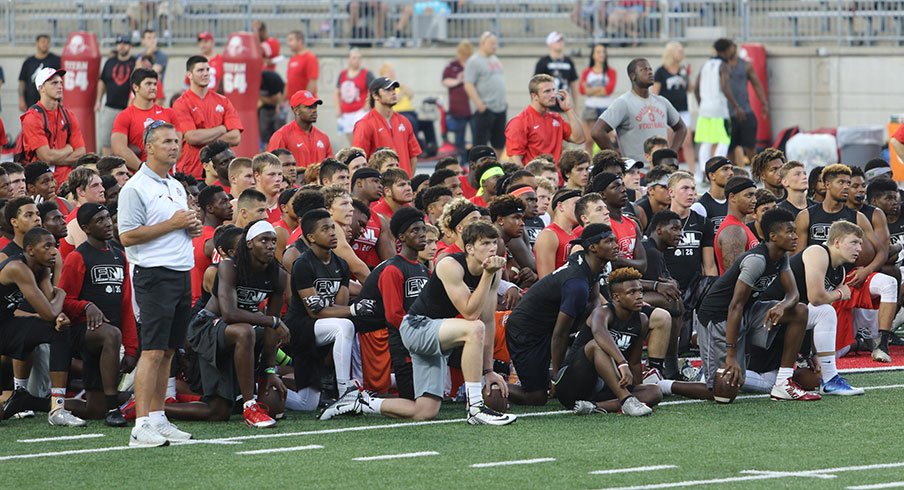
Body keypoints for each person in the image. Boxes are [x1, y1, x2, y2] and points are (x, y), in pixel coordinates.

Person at [322, 221, 516, 425]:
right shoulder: (450, 264)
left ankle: (359, 401)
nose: (493, 248)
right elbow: (470, 313)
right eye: (485, 243)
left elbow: (487, 320)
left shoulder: (491, 275)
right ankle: (476, 408)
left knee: (425, 411)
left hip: (436, 332)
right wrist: (487, 275)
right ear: (469, 248)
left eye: (494, 242)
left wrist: (488, 371)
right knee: (474, 328)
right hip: (416, 326)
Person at [118, 121, 202, 447]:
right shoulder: (135, 187)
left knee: (168, 350)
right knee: (151, 351)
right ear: (149, 147)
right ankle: (140, 424)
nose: (174, 146)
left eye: (177, 141)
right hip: (153, 275)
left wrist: (188, 227)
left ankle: (157, 417)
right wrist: (173, 223)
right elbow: (127, 235)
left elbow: (176, 226)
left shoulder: (176, 185)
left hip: (180, 273)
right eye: (166, 141)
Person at [697, 207, 820, 402]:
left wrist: (782, 306)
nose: (795, 236)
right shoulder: (756, 260)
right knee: (723, 392)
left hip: (748, 311)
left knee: (799, 311)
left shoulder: (781, 257)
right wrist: (731, 355)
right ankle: (665, 385)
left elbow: (794, 294)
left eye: (795, 231)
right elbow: (734, 306)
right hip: (719, 317)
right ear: (773, 236)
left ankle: (783, 382)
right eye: (789, 231)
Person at [180, 220, 288, 427]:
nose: (270, 245)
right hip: (207, 325)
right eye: (263, 240)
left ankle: (149, 407)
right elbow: (229, 313)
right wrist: (272, 321)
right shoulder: (230, 266)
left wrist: (269, 370)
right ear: (249, 243)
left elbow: (271, 331)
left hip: (237, 330)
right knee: (245, 331)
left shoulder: (279, 274)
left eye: (273, 241)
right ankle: (249, 405)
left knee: (218, 412)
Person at [506, 223, 617, 405]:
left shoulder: (589, 261)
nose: (616, 245)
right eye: (608, 241)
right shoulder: (577, 283)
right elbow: (560, 334)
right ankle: (486, 385)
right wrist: (557, 379)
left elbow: (594, 300)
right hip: (527, 330)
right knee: (537, 397)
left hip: (547, 324)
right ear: (593, 247)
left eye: (614, 240)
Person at [758, 221, 864, 395]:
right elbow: (815, 298)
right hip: (766, 315)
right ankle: (830, 380)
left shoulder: (840, 271)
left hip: (788, 321)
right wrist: (839, 293)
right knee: (827, 311)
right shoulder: (818, 252)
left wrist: (811, 354)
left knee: (777, 380)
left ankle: (718, 376)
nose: (859, 248)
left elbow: (812, 313)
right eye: (854, 242)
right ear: (836, 242)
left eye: (860, 243)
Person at [57, 204, 137, 426]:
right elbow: (63, 299)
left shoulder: (119, 256)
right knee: (110, 334)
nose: (107, 223)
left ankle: (36, 402)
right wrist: (86, 306)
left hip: (109, 337)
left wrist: (131, 348)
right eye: (99, 220)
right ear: (86, 228)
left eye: (107, 218)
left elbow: (126, 305)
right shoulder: (77, 257)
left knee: (93, 410)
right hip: (81, 332)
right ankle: (114, 408)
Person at [285, 209, 370, 407]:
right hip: (301, 328)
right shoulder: (303, 264)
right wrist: (354, 310)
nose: (333, 233)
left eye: (333, 227)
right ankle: (345, 391)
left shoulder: (341, 264)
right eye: (326, 229)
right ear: (311, 237)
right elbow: (314, 311)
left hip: (326, 325)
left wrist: (346, 310)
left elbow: (338, 307)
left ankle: (258, 393)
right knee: (345, 325)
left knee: (307, 404)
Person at [555, 266, 662, 414]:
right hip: (573, 382)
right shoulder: (602, 313)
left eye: (640, 291)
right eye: (632, 292)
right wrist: (622, 363)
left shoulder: (642, 320)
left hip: (606, 386)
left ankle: (595, 407)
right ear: (616, 297)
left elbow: (635, 362)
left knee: (654, 392)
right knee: (597, 346)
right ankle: (626, 401)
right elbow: (599, 332)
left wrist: (635, 390)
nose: (639, 296)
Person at [351, 207, 430, 396]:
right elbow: (393, 315)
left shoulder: (422, 269)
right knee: (379, 392)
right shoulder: (392, 269)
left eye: (423, 229)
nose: (422, 235)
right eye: (415, 230)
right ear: (401, 238)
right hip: (376, 334)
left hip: (406, 332)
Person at [0, 228, 76, 424]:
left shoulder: (42, 267)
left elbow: (51, 311)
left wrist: (59, 317)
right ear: (31, 250)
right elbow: (50, 310)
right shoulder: (18, 267)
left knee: (58, 329)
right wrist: (61, 295)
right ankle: (19, 398)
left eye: (55, 246)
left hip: (6, 325)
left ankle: (57, 408)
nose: (54, 251)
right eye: (47, 246)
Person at [592, 58, 687, 164]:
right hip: (639, 173)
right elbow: (597, 132)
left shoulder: (662, 101)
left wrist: (672, 152)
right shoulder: (623, 102)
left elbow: (681, 128)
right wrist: (618, 160)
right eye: (644, 69)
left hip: (663, 169)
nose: (650, 72)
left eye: (650, 69)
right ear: (633, 76)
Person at [173, 56, 243, 179]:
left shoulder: (223, 101)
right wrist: (221, 129)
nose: (205, 74)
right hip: (193, 172)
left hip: (221, 174)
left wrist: (204, 136)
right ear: (189, 75)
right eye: (200, 70)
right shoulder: (181, 103)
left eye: (207, 70)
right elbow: (191, 137)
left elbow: (236, 137)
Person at [19, 68, 86, 185]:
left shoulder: (68, 115)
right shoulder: (32, 117)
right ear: (41, 88)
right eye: (54, 83)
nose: (60, 86)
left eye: (61, 82)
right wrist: (68, 149)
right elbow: (46, 157)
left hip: (67, 183)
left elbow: (81, 153)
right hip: (41, 184)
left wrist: (54, 158)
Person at [505, 74, 584, 166]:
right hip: (536, 178)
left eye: (554, 90)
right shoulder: (519, 122)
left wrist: (569, 109)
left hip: (556, 178)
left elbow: (579, 139)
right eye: (547, 91)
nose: (553, 95)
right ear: (534, 96)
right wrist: (528, 180)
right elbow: (515, 160)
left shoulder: (556, 118)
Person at [353, 77, 422, 177]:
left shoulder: (404, 121)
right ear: (375, 95)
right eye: (387, 90)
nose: (393, 92)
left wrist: (408, 181)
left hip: (403, 186)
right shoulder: (364, 124)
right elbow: (358, 161)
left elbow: (413, 155)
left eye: (393, 89)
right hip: (380, 188)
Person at [111, 68, 177, 171]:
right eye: (148, 84)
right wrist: (145, 170)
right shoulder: (124, 116)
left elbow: (178, 145)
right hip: (138, 178)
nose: (153, 87)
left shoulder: (169, 113)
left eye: (155, 84)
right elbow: (119, 149)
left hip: (167, 176)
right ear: (136, 87)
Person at [652, 42, 695, 178]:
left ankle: (693, 172)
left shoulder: (682, 69)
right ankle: (667, 171)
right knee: (670, 142)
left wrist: (687, 75)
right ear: (671, 53)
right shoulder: (661, 71)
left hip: (683, 109)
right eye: (679, 51)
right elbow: (655, 93)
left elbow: (690, 89)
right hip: (667, 111)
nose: (682, 54)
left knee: (687, 140)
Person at [464, 32, 507, 157]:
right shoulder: (474, 61)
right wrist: (479, 104)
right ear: (482, 44)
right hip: (485, 108)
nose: (495, 46)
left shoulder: (495, 59)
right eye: (491, 44)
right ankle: (480, 168)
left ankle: (496, 164)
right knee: (480, 144)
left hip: (500, 107)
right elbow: (468, 84)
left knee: (499, 142)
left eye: (496, 44)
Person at [726, 39, 769, 165]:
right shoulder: (721, 66)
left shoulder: (745, 65)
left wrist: (764, 102)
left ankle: (758, 171)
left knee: (750, 146)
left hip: (745, 110)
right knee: (730, 147)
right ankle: (732, 173)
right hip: (728, 112)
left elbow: (756, 83)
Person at [693, 39, 735, 166]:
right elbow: (724, 86)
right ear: (727, 50)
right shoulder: (723, 65)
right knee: (724, 140)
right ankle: (718, 168)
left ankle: (703, 170)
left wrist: (701, 103)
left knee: (707, 142)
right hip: (719, 109)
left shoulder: (705, 64)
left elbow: (696, 88)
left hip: (705, 108)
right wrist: (735, 105)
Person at [268, 90, 332, 171]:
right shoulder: (281, 135)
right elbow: (272, 168)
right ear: (296, 110)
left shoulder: (323, 137)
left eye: (315, 106)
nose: (314, 110)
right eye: (309, 107)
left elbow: (330, 169)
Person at [191, 185, 233, 305]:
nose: (230, 205)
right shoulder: (213, 241)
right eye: (224, 202)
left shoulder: (196, 234)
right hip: (207, 304)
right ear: (210, 208)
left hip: (192, 304)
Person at [95, 35, 136, 156]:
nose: (121, 46)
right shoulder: (110, 62)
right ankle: (106, 169)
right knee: (106, 141)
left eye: (125, 43)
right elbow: (102, 81)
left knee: (127, 143)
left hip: (128, 109)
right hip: (110, 107)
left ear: (130, 46)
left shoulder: (135, 63)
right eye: (119, 43)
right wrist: (98, 100)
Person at [350, 167, 394, 268]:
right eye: (375, 181)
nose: (380, 186)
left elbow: (389, 261)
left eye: (381, 183)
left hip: (368, 277)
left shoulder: (381, 220)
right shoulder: (342, 210)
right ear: (359, 183)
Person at [714, 177, 759, 273]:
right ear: (732, 197)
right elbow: (734, 276)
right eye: (749, 195)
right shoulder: (733, 230)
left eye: (755, 195)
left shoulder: (741, 226)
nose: (754, 200)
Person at [60, 167, 106, 259]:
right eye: (95, 185)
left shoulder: (87, 216)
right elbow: (88, 259)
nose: (102, 189)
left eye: (101, 184)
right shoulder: (78, 220)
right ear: (80, 191)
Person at [579, 43, 617, 153]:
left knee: (609, 140)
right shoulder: (587, 72)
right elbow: (582, 90)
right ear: (593, 55)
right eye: (598, 52)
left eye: (603, 52)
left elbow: (608, 90)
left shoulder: (611, 72)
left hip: (606, 108)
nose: (601, 54)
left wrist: (590, 90)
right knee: (588, 141)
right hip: (590, 108)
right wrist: (600, 89)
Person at [534, 188, 581, 278]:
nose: (581, 209)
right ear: (560, 206)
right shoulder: (548, 235)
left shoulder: (574, 236)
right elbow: (546, 281)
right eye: (576, 204)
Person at [442, 40, 475, 163]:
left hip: (472, 107)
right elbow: (445, 80)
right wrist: (458, 80)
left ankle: (473, 160)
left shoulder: (473, 64)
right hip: (458, 107)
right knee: (459, 137)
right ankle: (460, 162)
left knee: (476, 136)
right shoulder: (452, 65)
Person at [335, 48, 374, 145]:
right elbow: (336, 92)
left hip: (360, 111)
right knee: (351, 139)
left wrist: (367, 103)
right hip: (346, 112)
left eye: (359, 58)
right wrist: (337, 108)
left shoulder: (366, 73)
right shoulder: (343, 74)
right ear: (349, 59)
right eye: (354, 58)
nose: (357, 60)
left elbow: (373, 89)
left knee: (361, 137)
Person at [534, 32, 579, 113]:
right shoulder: (543, 62)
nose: (561, 43)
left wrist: (576, 107)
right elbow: (536, 86)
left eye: (562, 40)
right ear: (550, 43)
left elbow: (574, 85)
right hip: (548, 109)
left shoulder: (569, 62)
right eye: (557, 40)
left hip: (565, 108)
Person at [692, 156, 733, 236]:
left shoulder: (734, 202)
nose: (731, 173)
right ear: (712, 176)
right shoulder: (699, 207)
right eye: (725, 169)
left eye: (731, 169)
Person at [18, 34, 61, 111]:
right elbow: (22, 83)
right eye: (43, 42)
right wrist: (21, 99)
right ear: (37, 43)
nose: (45, 44)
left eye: (47, 42)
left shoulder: (56, 60)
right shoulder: (28, 62)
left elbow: (61, 80)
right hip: (31, 102)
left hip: (50, 103)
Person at [285, 30, 319, 97]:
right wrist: (282, 100)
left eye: (291, 40)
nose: (288, 43)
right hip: (292, 103)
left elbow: (312, 81)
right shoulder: (292, 58)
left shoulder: (310, 58)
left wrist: (305, 101)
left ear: (300, 41)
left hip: (303, 104)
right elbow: (289, 82)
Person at [258, 70, 286, 145]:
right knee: (264, 130)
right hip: (265, 108)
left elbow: (276, 99)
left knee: (279, 128)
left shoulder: (271, 79)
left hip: (278, 104)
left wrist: (261, 99)